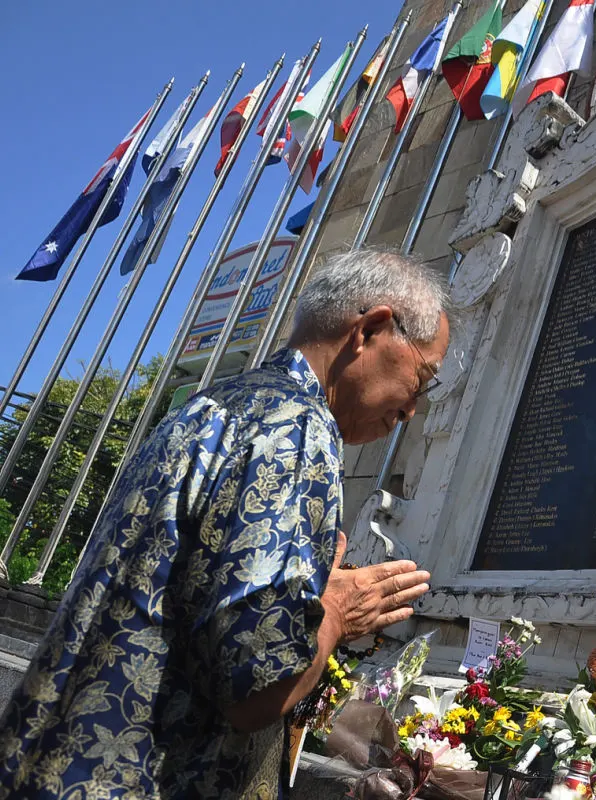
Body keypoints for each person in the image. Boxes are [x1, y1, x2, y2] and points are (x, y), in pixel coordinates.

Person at [0, 248, 451, 799]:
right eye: (422, 378)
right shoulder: (298, 431)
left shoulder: (213, 405)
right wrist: (333, 613)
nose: (410, 411)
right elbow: (255, 690)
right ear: (372, 329)